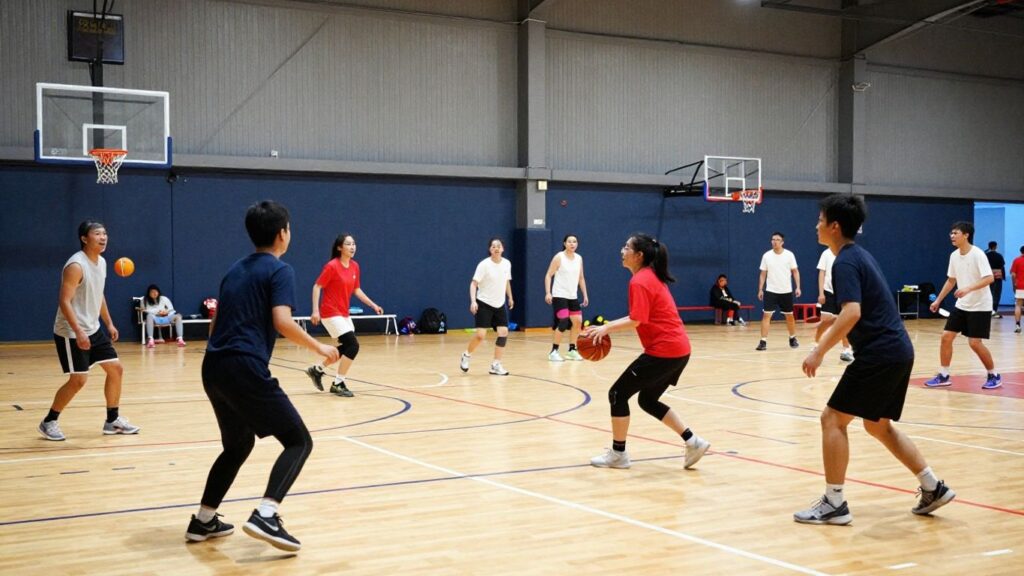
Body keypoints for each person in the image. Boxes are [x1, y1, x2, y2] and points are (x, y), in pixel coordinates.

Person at [185, 201, 340, 551]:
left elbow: (215, 322)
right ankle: (266, 514)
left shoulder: (234, 270)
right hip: (244, 366)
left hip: (214, 365)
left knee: (238, 445)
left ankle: (203, 519)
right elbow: (282, 322)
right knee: (299, 441)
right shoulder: (280, 270)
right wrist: (321, 348)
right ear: (282, 233)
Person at [796, 194, 954, 525]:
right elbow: (849, 311)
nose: (816, 225)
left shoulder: (845, 262)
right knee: (878, 425)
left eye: (820, 220)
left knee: (832, 420)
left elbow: (852, 311)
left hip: (881, 353)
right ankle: (932, 486)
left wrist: (819, 350)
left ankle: (834, 503)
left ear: (834, 226)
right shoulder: (858, 256)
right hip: (897, 351)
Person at [585, 234, 710, 471]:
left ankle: (618, 454)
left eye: (626, 247)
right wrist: (607, 326)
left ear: (638, 255)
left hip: (664, 350)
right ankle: (694, 442)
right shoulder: (649, 277)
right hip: (679, 350)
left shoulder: (641, 281)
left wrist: (606, 327)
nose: (622, 250)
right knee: (647, 400)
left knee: (617, 394)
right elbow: (639, 318)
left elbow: (636, 319)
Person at [39, 220, 140, 441]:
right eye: (97, 234)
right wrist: (79, 331)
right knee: (78, 381)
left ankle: (112, 420)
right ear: (85, 238)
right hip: (71, 331)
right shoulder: (76, 265)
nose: (103, 237)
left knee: (116, 369)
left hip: (92, 328)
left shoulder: (102, 263)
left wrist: (109, 323)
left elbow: (98, 294)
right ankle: (49, 421)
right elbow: (64, 301)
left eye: (105, 233)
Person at [304, 233, 384, 397]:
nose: (352, 247)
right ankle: (338, 383)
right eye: (348, 244)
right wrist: (315, 310)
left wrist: (373, 305)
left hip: (343, 313)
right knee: (353, 346)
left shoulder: (355, 266)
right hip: (330, 312)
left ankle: (317, 370)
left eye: (354, 243)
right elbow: (317, 287)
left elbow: (357, 290)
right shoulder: (332, 266)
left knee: (347, 347)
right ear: (340, 247)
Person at [925, 222, 1001, 390]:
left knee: (974, 343)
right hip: (962, 305)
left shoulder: (978, 254)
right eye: (951, 233)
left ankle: (993, 375)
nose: (952, 236)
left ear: (966, 235)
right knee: (946, 337)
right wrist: (938, 300)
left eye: (955, 233)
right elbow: (951, 280)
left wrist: (967, 288)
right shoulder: (954, 256)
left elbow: (989, 278)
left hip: (980, 305)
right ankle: (944, 375)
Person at [460, 238, 514, 376]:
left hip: (499, 304)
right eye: (493, 246)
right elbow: (474, 284)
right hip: (484, 303)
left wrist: (510, 297)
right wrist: (473, 301)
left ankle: (496, 364)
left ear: (503, 249)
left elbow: (507, 281)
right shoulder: (484, 265)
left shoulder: (507, 264)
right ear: (490, 249)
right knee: (480, 335)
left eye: (499, 246)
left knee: (503, 332)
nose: (496, 248)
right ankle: (466, 355)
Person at [544, 233, 590, 361]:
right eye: (569, 241)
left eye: (574, 241)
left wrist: (585, 295)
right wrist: (548, 292)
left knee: (578, 322)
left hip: (572, 296)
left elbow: (581, 278)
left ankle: (572, 350)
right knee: (563, 321)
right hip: (559, 295)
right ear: (564, 243)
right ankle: (554, 351)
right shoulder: (559, 257)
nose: (572, 244)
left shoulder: (579, 258)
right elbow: (548, 275)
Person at [756, 232, 801, 350]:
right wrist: (761, 289)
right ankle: (763, 341)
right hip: (771, 291)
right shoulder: (766, 256)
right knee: (766, 315)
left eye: (777, 239)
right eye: (773, 239)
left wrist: (798, 287)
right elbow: (763, 274)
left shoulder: (789, 255)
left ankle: (792, 338)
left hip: (786, 291)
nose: (774, 241)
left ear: (782, 242)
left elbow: (795, 271)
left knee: (789, 316)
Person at [814, 248, 853, 362]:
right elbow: (821, 273)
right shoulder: (825, 253)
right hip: (828, 292)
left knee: (844, 323)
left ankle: (846, 350)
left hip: (842, 292)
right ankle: (817, 346)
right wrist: (821, 293)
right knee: (825, 321)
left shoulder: (847, 252)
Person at [143, 284, 186, 348]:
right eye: (152, 292)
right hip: (155, 318)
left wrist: (166, 312)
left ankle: (180, 339)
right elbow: (145, 310)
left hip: (166, 317)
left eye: (156, 291)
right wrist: (157, 313)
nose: (154, 293)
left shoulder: (164, 298)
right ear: (149, 293)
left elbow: (172, 310)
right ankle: (150, 340)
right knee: (149, 316)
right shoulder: (145, 300)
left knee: (178, 316)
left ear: (158, 292)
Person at [985, 241, 1005, 318]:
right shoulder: (999, 256)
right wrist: (1003, 276)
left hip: (987, 277)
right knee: (996, 294)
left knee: (988, 293)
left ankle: (988, 311)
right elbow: (1002, 266)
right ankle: (994, 311)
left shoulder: (985, 255)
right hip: (998, 277)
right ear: (995, 246)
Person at [1012, 245, 1024, 334]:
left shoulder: (1017, 260)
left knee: (1018, 305)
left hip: (1020, 286)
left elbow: (1013, 275)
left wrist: (1014, 285)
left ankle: (1017, 325)